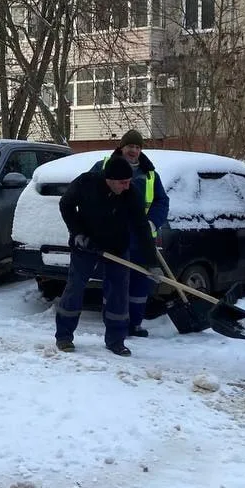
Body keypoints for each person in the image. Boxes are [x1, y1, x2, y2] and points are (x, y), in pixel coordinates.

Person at [55, 156, 156, 356]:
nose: (127, 186)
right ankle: (64, 336)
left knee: (118, 292)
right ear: (109, 179)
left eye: (128, 181)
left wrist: (151, 263)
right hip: (87, 245)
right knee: (75, 287)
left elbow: (142, 227)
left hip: (117, 247)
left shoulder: (131, 193)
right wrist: (77, 232)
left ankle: (116, 340)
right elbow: (65, 205)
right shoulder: (86, 183)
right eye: (123, 182)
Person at [89, 129, 170, 337]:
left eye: (137, 147)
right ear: (121, 147)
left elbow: (162, 201)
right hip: (115, 234)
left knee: (140, 282)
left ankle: (135, 323)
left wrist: (152, 223)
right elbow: (89, 193)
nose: (133, 151)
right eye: (129, 146)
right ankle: (114, 323)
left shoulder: (149, 174)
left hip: (142, 236)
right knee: (115, 280)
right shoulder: (105, 166)